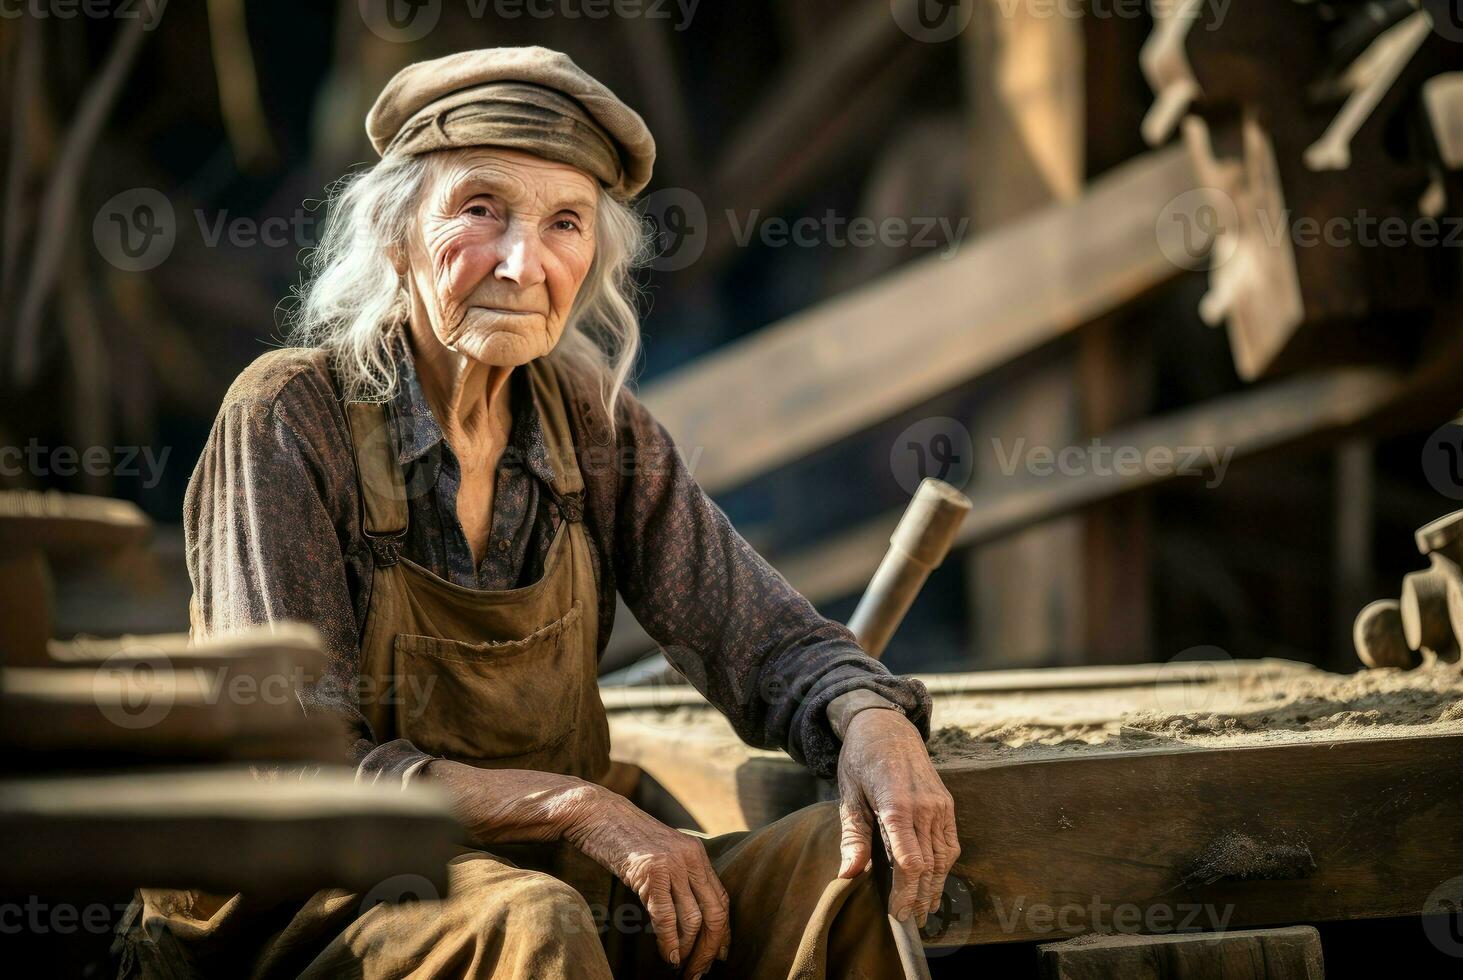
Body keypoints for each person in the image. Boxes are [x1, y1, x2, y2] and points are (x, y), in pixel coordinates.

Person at [128, 46, 959, 980]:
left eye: (564, 222)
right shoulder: (290, 415)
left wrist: (871, 720)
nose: (524, 264)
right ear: (397, 235)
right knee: (533, 920)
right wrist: (579, 807)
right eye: (481, 210)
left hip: (545, 886)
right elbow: (290, 763)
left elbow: (762, 639)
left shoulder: (591, 424)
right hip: (318, 904)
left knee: (833, 870)